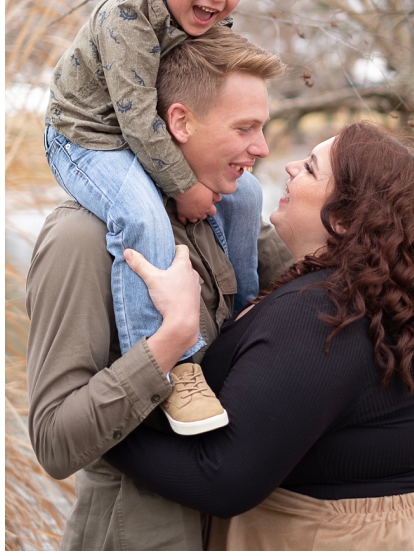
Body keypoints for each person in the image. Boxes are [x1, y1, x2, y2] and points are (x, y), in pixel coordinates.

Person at [102, 121, 414, 550]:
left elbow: (220, 482)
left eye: (308, 167)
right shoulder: (379, 295)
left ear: (342, 219)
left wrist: (96, 425)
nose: (287, 167)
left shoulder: (326, 314)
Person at [27, 27, 294, 549]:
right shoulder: (81, 238)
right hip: (138, 535)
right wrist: (171, 340)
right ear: (180, 122)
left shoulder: (226, 209)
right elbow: (55, 442)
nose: (260, 148)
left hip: (228, 525)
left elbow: (311, 282)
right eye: (245, 128)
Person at [43, 0, 267, 434]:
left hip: (139, 133)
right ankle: (175, 363)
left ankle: (246, 317)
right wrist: (187, 187)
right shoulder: (127, 17)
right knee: (141, 214)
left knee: (251, 195)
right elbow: (139, 119)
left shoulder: (208, 26)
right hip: (89, 137)